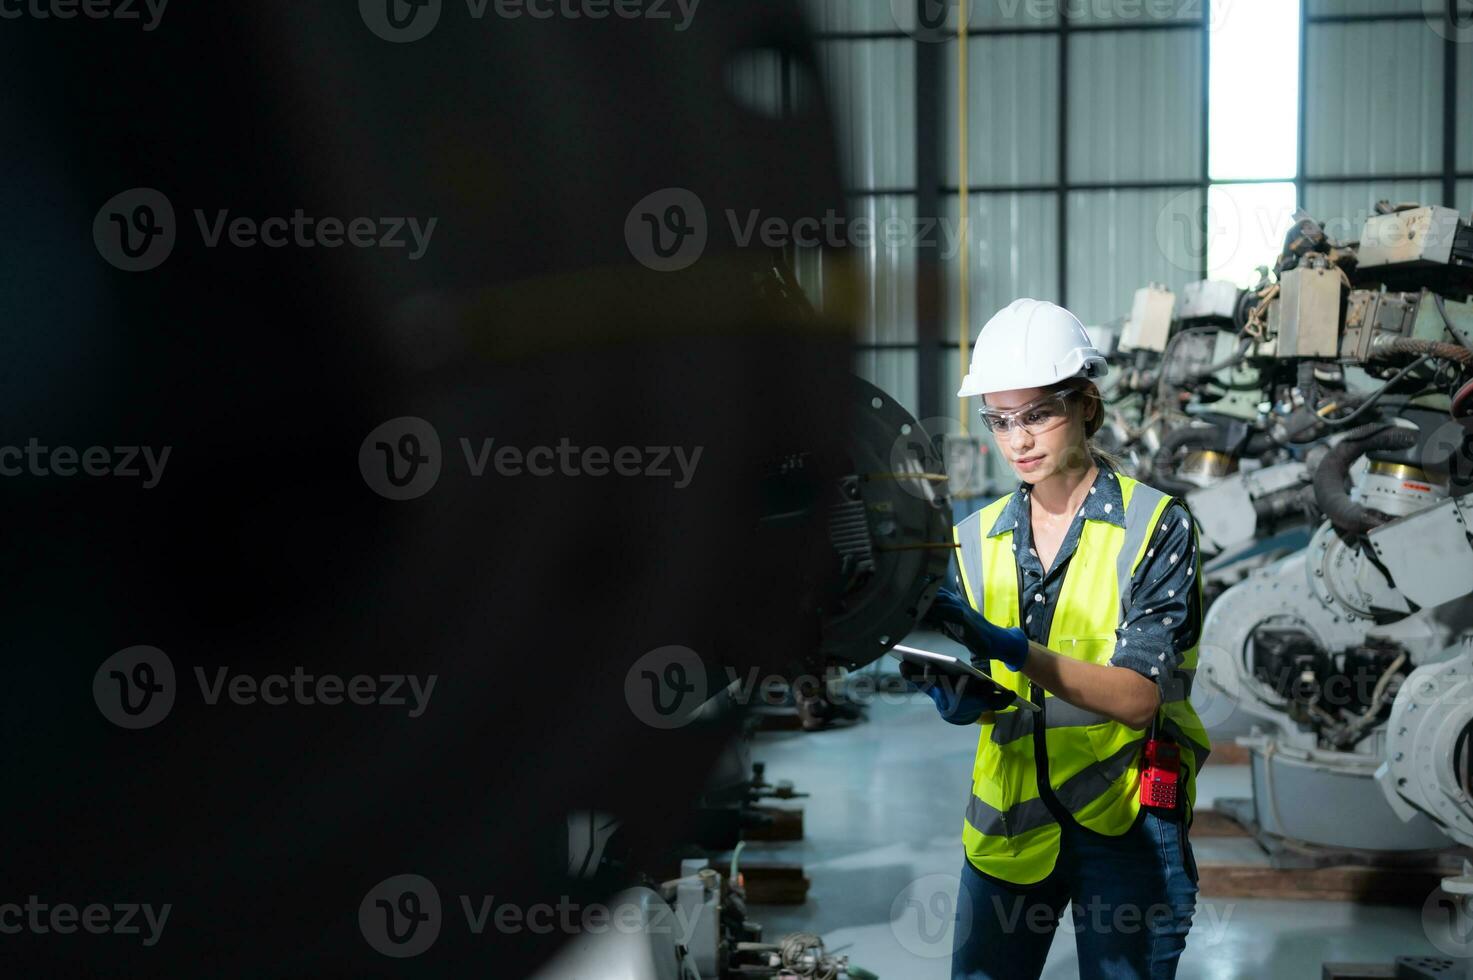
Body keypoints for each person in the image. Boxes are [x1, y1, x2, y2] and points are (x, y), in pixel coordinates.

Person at [901, 298, 1211, 980]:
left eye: (1038, 413)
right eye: (1000, 420)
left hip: (1124, 820)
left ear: (1086, 405)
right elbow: (994, 683)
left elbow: (1136, 698)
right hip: (1009, 823)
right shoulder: (974, 536)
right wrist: (961, 692)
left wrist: (1012, 649)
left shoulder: (1155, 526)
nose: (1019, 440)